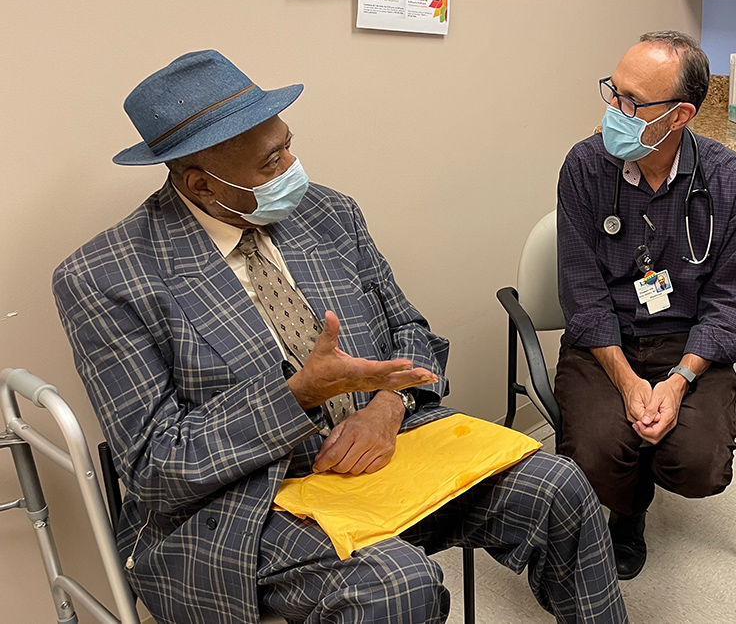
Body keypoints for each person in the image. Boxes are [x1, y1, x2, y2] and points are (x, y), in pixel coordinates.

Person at [52, 50, 628, 624]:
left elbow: (411, 331)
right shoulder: (105, 278)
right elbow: (155, 468)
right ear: (203, 185)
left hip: (384, 449)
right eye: (271, 162)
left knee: (559, 484)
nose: (293, 167)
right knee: (396, 585)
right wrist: (298, 396)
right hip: (247, 501)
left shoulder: (327, 213)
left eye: (287, 144)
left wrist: (387, 404)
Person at [555, 31, 736, 580]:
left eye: (632, 103)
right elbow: (581, 290)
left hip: (688, 342)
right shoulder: (584, 167)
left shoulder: (731, 181)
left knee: (697, 466)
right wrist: (627, 382)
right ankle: (628, 511)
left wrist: (675, 382)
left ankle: (642, 466)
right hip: (607, 340)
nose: (613, 113)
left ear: (679, 116)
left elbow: (729, 299)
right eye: (613, 93)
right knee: (596, 454)